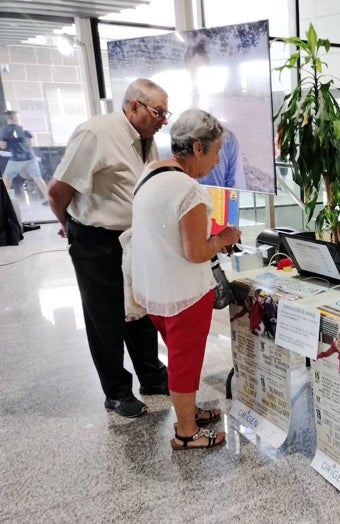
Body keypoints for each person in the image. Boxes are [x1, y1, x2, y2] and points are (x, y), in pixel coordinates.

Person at [47, 78, 171, 418]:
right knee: (104, 316)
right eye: (158, 112)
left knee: (139, 308)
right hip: (96, 239)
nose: (164, 120)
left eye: (165, 113)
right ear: (133, 107)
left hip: (135, 239)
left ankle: (151, 374)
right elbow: (58, 190)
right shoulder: (96, 134)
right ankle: (116, 391)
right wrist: (68, 226)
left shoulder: (148, 139)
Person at [130, 109, 241, 450]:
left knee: (179, 355)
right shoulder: (189, 190)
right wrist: (224, 238)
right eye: (216, 151)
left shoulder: (150, 174)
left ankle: (189, 411)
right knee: (184, 360)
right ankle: (186, 432)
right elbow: (197, 252)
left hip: (154, 288)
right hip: (185, 293)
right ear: (196, 148)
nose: (218, 159)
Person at [1, 110, 49, 204]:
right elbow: (30, 144)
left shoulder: (4, 129)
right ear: (16, 118)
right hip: (30, 157)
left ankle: (4, 201)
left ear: (7, 118)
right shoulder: (24, 128)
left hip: (16, 158)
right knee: (38, 178)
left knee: (7, 176)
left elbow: (3, 146)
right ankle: (48, 199)